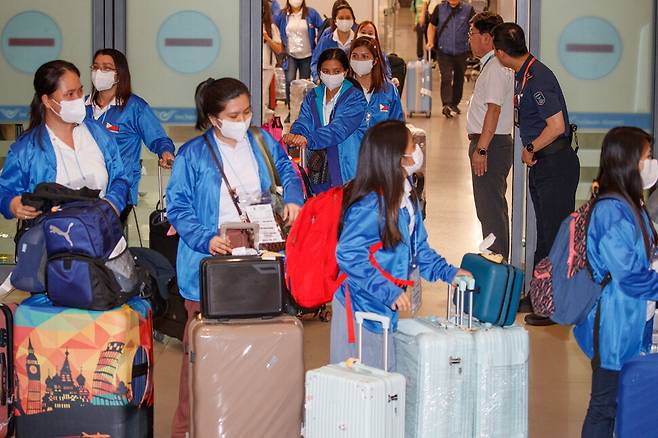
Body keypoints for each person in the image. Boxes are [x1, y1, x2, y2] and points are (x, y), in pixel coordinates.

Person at [168, 77, 304, 438]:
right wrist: (205, 238)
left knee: (260, 342)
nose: (242, 120)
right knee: (198, 353)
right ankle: (188, 428)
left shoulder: (261, 141)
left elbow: (288, 170)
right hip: (209, 262)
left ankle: (251, 422)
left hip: (258, 256)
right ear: (214, 118)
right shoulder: (193, 155)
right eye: (233, 114)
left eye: (246, 112)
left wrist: (293, 198)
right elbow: (178, 207)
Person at [331, 119, 472, 370]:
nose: (418, 150)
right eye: (412, 145)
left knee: (384, 382)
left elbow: (419, 250)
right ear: (397, 157)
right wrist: (389, 291)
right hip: (359, 309)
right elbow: (349, 255)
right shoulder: (370, 205)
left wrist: (448, 273)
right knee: (360, 390)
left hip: (382, 308)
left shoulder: (407, 196)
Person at [573, 127, 658, 437]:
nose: (650, 164)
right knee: (605, 403)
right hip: (612, 322)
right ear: (628, 162)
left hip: (633, 318)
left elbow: (647, 251)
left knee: (625, 401)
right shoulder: (610, 210)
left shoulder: (631, 204)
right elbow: (630, 275)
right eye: (646, 158)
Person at [493, 23, 580, 326]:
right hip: (543, 165)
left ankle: (555, 306)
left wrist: (530, 147)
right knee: (543, 233)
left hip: (555, 163)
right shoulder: (523, 74)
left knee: (555, 236)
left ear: (501, 53)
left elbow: (556, 126)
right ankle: (538, 293)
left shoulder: (538, 78)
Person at [0, 60, 129, 222]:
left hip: (101, 235)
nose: (78, 99)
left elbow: (120, 178)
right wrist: (12, 204)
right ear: (47, 101)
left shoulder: (98, 133)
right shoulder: (26, 149)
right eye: (70, 94)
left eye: (80, 91)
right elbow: (4, 190)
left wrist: (112, 204)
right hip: (52, 240)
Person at [85, 48, 175, 223]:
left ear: (119, 74)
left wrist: (165, 152)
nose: (99, 72)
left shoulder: (134, 107)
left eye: (106, 68)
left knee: (106, 241)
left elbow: (158, 137)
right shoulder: (82, 106)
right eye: (95, 67)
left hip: (117, 190)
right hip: (83, 190)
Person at [283, 48, 367, 194]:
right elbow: (304, 121)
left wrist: (307, 139)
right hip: (319, 170)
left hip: (347, 169)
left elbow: (338, 129)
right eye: (326, 71)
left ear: (345, 72)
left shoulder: (355, 98)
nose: (331, 76)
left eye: (336, 71)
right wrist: (295, 134)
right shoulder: (313, 96)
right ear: (320, 72)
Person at [465, 12, 514, 260]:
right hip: (489, 143)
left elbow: (493, 110)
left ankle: (498, 261)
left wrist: (481, 149)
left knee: (490, 207)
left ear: (486, 37)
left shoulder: (495, 67)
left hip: (491, 146)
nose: (469, 39)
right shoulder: (492, 66)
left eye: (472, 34)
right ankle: (496, 257)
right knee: (489, 206)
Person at [426, 0, 475, 118]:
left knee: (459, 78)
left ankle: (455, 104)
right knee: (446, 76)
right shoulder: (440, 9)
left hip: (462, 50)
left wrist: (473, 47)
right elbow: (432, 26)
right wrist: (430, 41)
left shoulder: (468, 10)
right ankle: (446, 104)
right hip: (444, 50)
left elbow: (474, 28)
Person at [276, 0, 324, 113]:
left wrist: (318, 43)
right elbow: (272, 24)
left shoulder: (311, 13)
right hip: (290, 55)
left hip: (307, 55)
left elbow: (322, 27)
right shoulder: (283, 15)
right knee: (289, 81)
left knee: (305, 84)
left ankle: (304, 111)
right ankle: (290, 110)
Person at [347, 36, 403, 128]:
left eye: (365, 56)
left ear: (375, 61)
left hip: (382, 141)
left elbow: (397, 126)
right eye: (354, 56)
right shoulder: (343, 88)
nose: (359, 60)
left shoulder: (389, 89)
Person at [310, 1, 356, 82]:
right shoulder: (326, 41)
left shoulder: (357, 41)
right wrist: (317, 78)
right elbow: (315, 62)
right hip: (329, 83)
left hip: (352, 84)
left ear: (353, 20)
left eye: (348, 18)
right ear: (335, 20)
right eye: (341, 18)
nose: (344, 21)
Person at [262, 0, 284, 118]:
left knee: (262, 94)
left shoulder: (272, 27)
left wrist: (267, 38)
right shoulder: (248, 25)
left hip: (267, 66)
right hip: (251, 66)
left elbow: (279, 49)